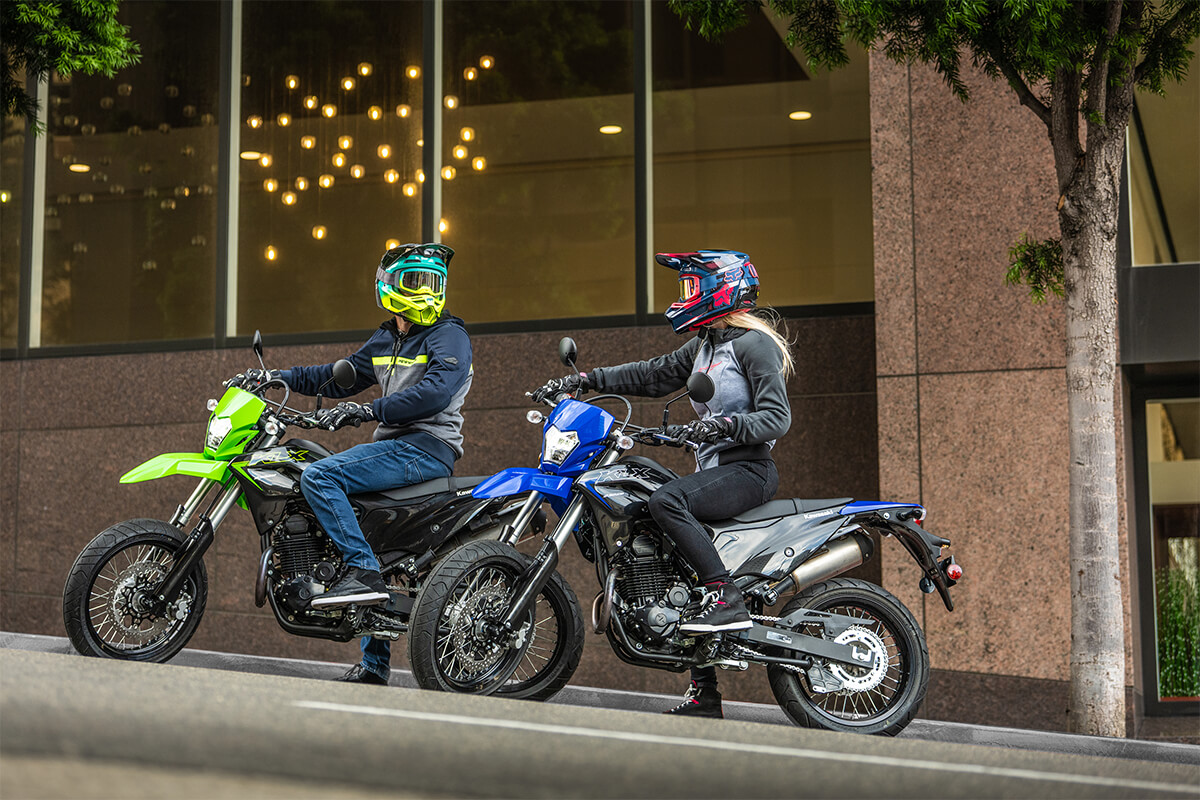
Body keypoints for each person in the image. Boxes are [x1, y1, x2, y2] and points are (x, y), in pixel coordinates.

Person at [534, 250, 793, 719]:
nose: (685, 296)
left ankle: (727, 596)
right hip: (714, 470)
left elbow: (777, 418)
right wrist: (585, 381)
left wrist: (722, 426)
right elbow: (652, 375)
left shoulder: (754, 345)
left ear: (723, 288)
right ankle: (705, 692)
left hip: (749, 470)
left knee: (667, 501)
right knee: (666, 545)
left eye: (692, 287)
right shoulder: (705, 345)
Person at [238, 242, 472, 686]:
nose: (424, 291)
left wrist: (368, 411)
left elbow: (435, 393)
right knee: (360, 525)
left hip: (424, 449)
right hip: (394, 449)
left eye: (432, 282)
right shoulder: (387, 339)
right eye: (414, 281)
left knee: (320, 475)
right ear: (387, 286)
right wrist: (274, 378)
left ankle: (362, 572)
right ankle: (374, 664)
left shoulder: (449, 337)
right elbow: (334, 376)